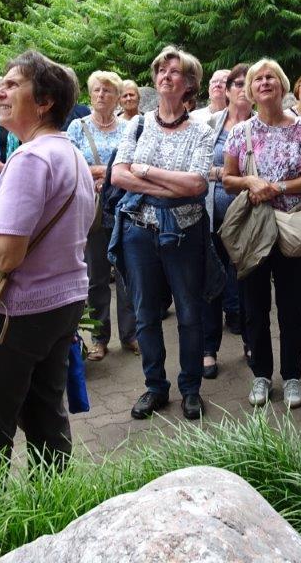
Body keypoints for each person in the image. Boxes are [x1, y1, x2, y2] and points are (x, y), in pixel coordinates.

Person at [0, 51, 93, 469]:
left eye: (12, 85)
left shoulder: (30, 159)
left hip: (19, 312)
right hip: (62, 304)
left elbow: (6, 255)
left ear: (44, 101)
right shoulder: (70, 153)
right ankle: (55, 500)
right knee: (46, 416)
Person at [110, 46, 216, 421]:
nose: (166, 76)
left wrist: (145, 172)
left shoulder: (202, 131)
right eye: (161, 71)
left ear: (189, 83)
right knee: (145, 314)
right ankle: (155, 387)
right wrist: (167, 184)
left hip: (185, 233)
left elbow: (197, 184)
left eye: (175, 72)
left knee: (189, 313)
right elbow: (118, 175)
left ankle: (190, 389)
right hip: (139, 233)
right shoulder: (137, 125)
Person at [222, 59, 301, 410]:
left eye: (271, 77)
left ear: (281, 85)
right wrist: (250, 181)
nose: (264, 82)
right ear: (250, 90)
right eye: (257, 79)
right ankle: (261, 375)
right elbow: (228, 179)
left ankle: (292, 375)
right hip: (254, 228)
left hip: (292, 226)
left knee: (292, 305)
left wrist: (276, 187)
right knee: (254, 305)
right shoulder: (241, 132)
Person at [67, 71, 137, 360]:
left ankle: (131, 335)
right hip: (93, 211)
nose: (101, 95)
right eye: (96, 90)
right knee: (96, 277)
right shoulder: (77, 127)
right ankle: (99, 338)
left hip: (124, 208)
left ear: (117, 96)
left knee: (127, 275)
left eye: (107, 90)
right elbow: (69, 163)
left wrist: (102, 174)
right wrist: (110, 172)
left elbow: (134, 163)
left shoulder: (129, 128)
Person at [203, 63, 251, 378]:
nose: (243, 89)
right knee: (212, 283)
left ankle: (251, 342)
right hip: (213, 217)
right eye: (238, 83)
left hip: (249, 218)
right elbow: (198, 167)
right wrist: (228, 173)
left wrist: (227, 175)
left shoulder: (263, 125)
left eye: (249, 83)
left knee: (247, 283)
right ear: (228, 90)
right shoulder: (210, 125)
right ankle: (208, 350)